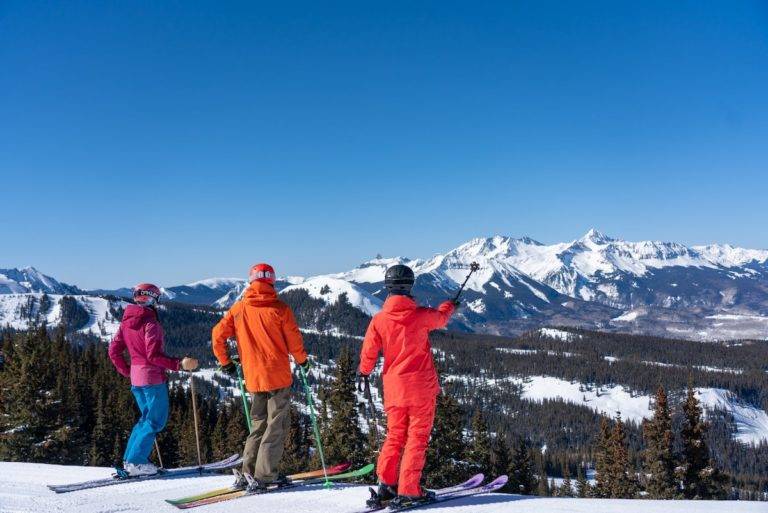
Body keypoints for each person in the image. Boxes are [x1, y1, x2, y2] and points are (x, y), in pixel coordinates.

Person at [358, 264, 456, 509]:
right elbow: (442, 318)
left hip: (394, 389)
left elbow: (369, 352)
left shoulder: (379, 320)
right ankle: (410, 490)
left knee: (395, 436)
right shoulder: (421, 315)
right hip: (421, 388)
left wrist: (364, 372)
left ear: (387, 288)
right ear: (410, 286)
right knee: (417, 438)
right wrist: (450, 305)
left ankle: (387, 485)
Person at [212, 263, 309, 492]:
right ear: (272, 281)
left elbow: (217, 335)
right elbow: (294, 340)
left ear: (251, 280)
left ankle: (248, 471)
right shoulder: (280, 308)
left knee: (258, 425)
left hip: (254, 377)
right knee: (276, 426)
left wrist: (225, 362)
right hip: (278, 376)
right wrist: (303, 361)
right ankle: (265, 475)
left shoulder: (239, 309)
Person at [108, 283, 198, 476]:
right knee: (156, 420)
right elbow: (153, 355)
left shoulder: (125, 322)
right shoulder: (151, 323)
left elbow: (113, 351)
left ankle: (130, 460)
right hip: (152, 378)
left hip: (136, 378)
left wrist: (127, 371)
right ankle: (137, 462)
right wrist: (179, 364)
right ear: (153, 299)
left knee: (145, 419)